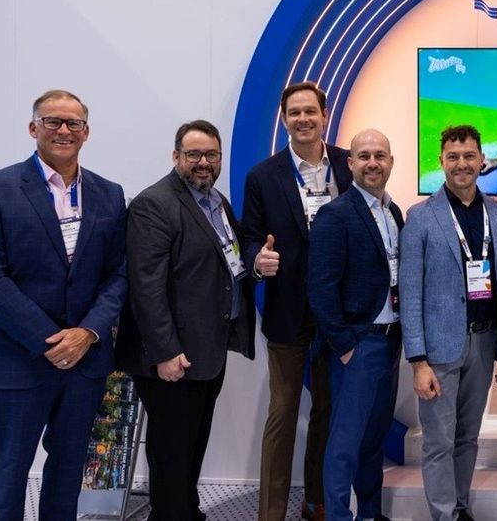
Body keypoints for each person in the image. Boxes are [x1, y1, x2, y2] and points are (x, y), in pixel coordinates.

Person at [0, 89, 127, 521]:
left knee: (68, 472)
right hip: (15, 361)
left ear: (86, 132)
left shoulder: (109, 194)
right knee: (8, 474)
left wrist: (87, 332)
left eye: (73, 123)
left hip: (85, 364)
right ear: (32, 127)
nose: (63, 130)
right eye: (52, 121)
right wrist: (51, 340)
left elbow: (119, 274)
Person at [115, 119, 256, 521]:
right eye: (193, 154)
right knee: (170, 452)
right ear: (175, 156)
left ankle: (186, 512)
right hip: (171, 358)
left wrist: (256, 265)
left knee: (191, 445)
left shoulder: (217, 202)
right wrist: (166, 351)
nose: (203, 162)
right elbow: (146, 287)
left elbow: (230, 260)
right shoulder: (153, 205)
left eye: (211, 155)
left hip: (207, 351)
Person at [242, 82, 352, 521]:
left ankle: (317, 501)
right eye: (294, 113)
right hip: (288, 309)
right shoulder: (262, 176)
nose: (303, 119)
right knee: (283, 412)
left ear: (324, 114)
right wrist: (257, 260)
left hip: (339, 313)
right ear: (284, 120)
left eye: (311, 111)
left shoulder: (349, 165)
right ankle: (270, 512)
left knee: (328, 410)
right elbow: (248, 236)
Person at [399, 125, 497, 521]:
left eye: (469, 156)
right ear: (441, 162)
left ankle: (460, 507)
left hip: (484, 345)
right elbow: (410, 293)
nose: (462, 164)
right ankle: (444, 515)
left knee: (467, 438)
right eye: (453, 157)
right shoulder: (420, 218)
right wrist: (418, 360)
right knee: (438, 442)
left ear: (482, 160)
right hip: (438, 352)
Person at [307, 129, 404, 521]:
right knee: (345, 443)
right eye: (363, 155)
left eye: (380, 155)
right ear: (350, 164)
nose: (372, 163)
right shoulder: (336, 214)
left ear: (391, 162)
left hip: (390, 341)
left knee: (372, 440)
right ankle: (338, 516)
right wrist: (345, 345)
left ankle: (369, 512)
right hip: (358, 346)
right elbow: (321, 287)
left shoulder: (393, 213)